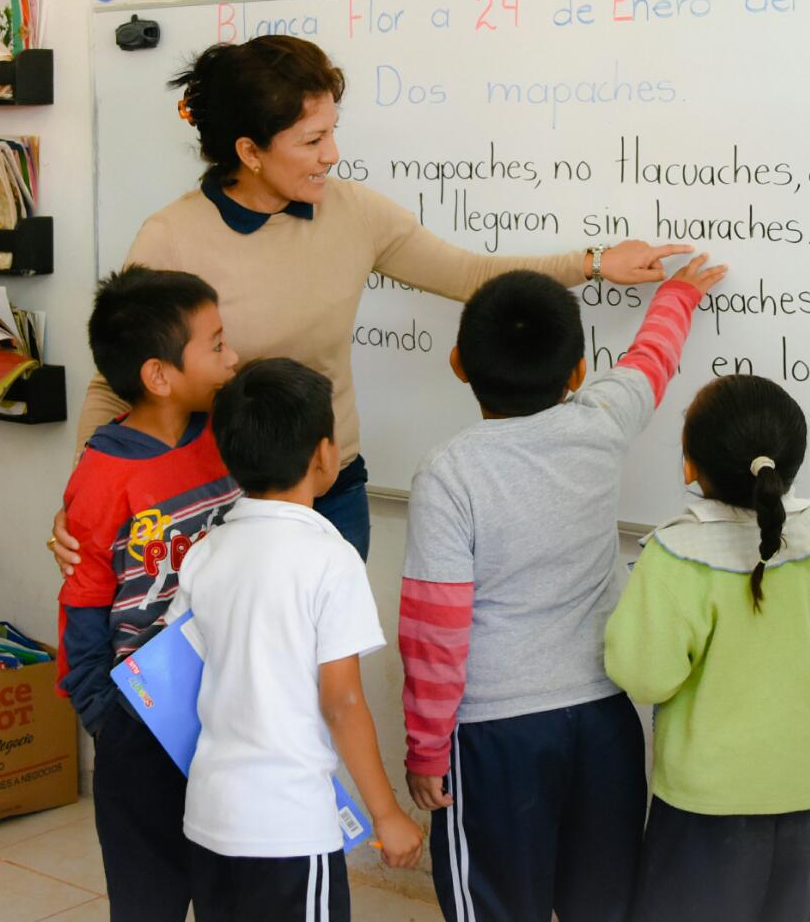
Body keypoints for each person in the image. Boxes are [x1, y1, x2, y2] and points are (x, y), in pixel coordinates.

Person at [50, 34, 687, 571]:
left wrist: (596, 263)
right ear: (248, 151)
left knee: (327, 687)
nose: (331, 154)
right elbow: (118, 385)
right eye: (310, 140)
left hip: (332, 489)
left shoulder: (351, 211)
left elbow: (468, 273)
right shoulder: (170, 238)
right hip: (207, 498)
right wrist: (87, 503)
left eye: (332, 132)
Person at [398, 256, 727, 922]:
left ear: (459, 363)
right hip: (603, 721)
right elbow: (650, 360)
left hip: (495, 736)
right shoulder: (600, 420)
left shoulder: (449, 472)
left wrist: (427, 748)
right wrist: (680, 294)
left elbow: (434, 629)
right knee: (599, 905)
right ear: (579, 373)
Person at [604, 375, 810, 922]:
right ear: (789, 462)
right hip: (807, 790)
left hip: (708, 804)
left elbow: (646, 676)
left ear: (689, 465)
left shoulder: (677, 552)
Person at [165, 358, 423, 922]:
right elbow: (342, 700)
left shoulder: (206, 552)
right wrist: (386, 813)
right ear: (324, 454)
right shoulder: (331, 559)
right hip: (288, 828)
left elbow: (180, 676)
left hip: (210, 817)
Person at [55, 265, 240, 922]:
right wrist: (102, 711)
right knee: (149, 893)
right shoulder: (104, 476)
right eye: (216, 345)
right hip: (139, 717)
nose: (233, 357)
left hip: (225, 704)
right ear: (159, 375)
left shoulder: (226, 436)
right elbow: (83, 602)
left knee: (227, 877)